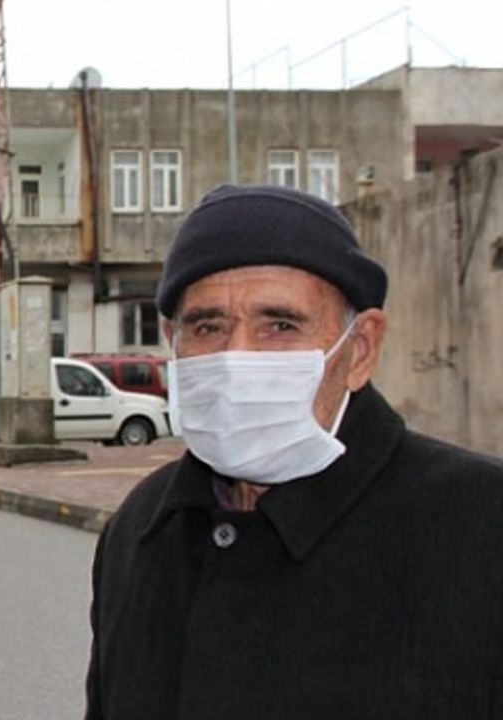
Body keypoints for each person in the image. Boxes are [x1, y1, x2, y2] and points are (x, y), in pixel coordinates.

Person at [84, 184, 503, 718]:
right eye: (208, 326)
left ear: (361, 349)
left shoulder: (483, 525)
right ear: (173, 341)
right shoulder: (140, 529)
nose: (237, 357)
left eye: (280, 326)